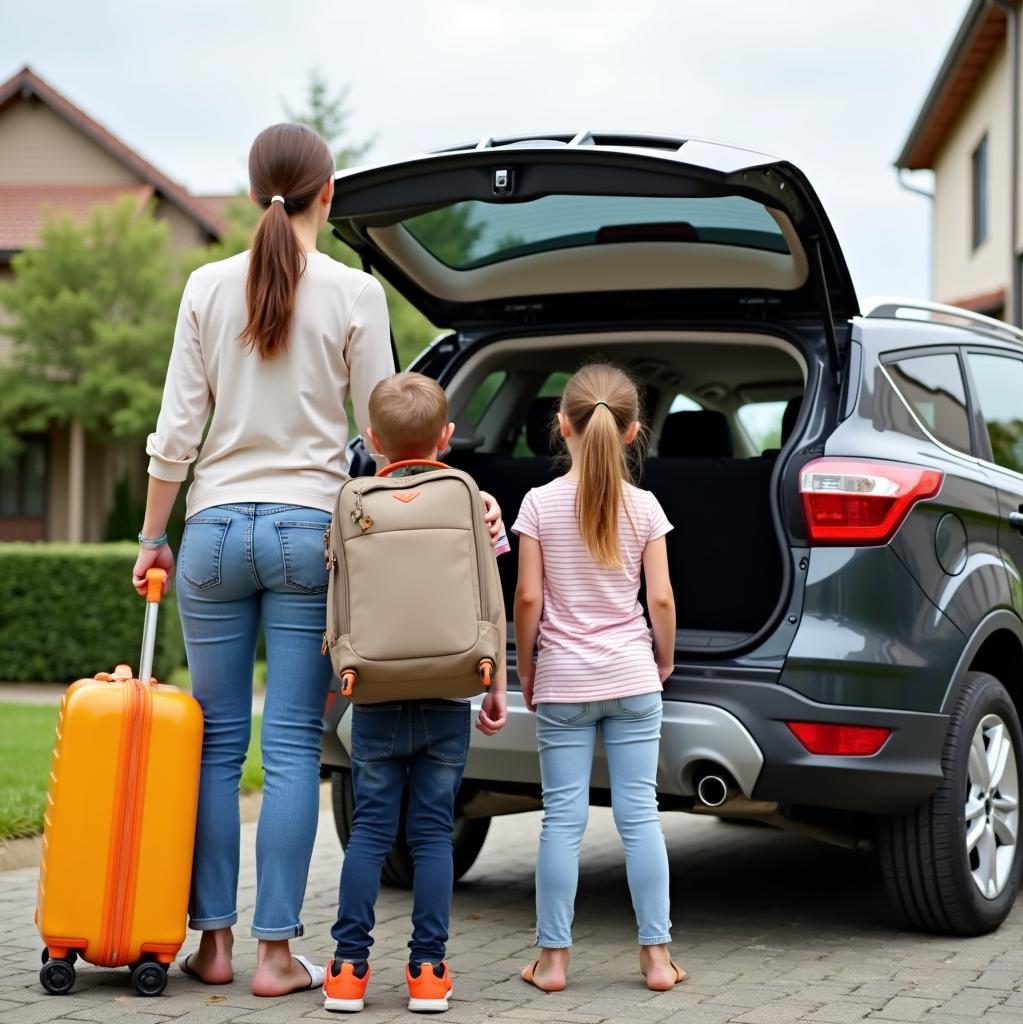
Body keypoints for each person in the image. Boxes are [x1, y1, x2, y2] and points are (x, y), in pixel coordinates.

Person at [132, 125, 502, 997]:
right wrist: (458, 500)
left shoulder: (204, 286)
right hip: (309, 533)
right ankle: (272, 959)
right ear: (326, 195)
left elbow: (175, 435)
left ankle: (212, 946)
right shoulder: (353, 292)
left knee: (217, 746)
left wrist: (154, 536)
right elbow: (387, 435)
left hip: (215, 531)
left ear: (253, 187)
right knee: (295, 745)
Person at [321, 372, 509, 1015]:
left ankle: (347, 971)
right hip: (450, 690)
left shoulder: (353, 499)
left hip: (371, 691)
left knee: (370, 831)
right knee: (432, 834)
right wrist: (495, 684)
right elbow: (491, 595)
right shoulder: (469, 498)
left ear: (372, 440)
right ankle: (428, 971)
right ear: (447, 438)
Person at [512, 363, 685, 993]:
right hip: (632, 675)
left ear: (561, 426)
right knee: (640, 816)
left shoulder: (537, 503)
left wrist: (527, 670)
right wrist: (660, 660)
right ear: (635, 430)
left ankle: (553, 963)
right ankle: (658, 960)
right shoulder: (645, 507)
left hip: (562, 680)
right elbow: (661, 600)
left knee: (562, 819)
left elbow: (527, 599)